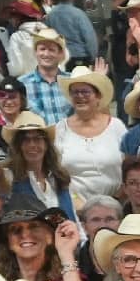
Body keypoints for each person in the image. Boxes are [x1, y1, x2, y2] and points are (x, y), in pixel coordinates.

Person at [53, 67, 126, 203]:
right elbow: (56, 173)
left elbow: (129, 167)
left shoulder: (116, 126)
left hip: (115, 205)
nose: (80, 96)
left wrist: (116, 199)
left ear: (97, 96)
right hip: (74, 207)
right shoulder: (61, 129)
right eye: (75, 92)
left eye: (85, 91)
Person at [5, 111, 78, 224]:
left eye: (37, 139)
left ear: (46, 144)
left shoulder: (59, 177)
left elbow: (74, 218)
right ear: (17, 146)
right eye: (25, 140)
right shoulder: (9, 178)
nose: (32, 145)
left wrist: (82, 240)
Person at [17, 27, 73, 125]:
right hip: (39, 139)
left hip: (69, 138)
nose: (46, 54)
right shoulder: (22, 84)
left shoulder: (72, 81)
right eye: (42, 49)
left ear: (60, 54)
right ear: (35, 52)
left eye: (51, 50)